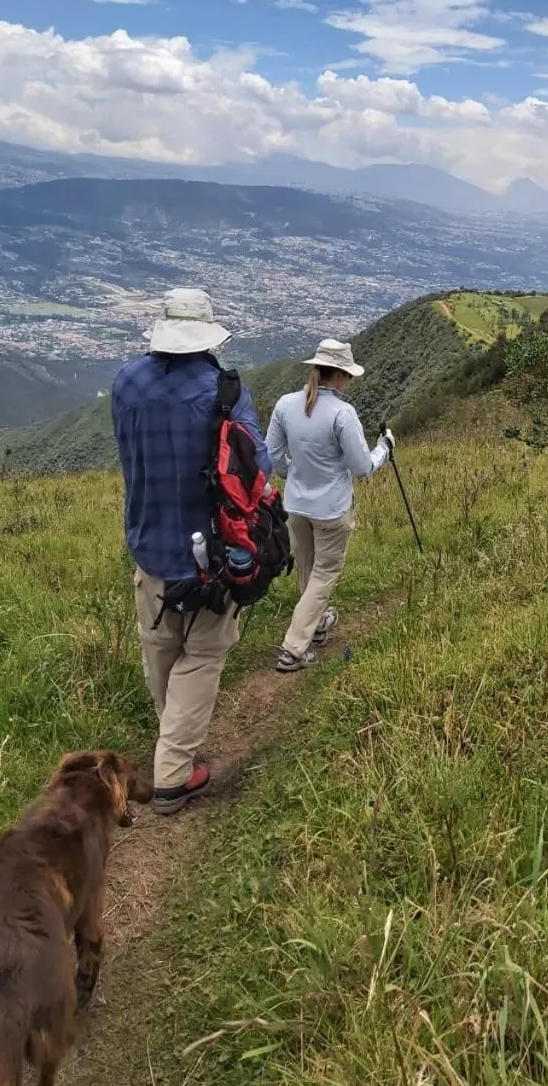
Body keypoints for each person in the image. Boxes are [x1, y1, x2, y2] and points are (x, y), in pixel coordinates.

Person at [112, 287, 271, 815]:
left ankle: (172, 744)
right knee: (201, 656)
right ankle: (174, 775)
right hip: (212, 558)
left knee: (159, 649)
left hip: (148, 545)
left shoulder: (126, 383)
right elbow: (257, 469)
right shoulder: (223, 393)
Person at [265, 338, 393, 673]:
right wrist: (385, 450)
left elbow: (272, 456)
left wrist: (292, 474)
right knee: (324, 573)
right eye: (348, 376)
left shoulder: (285, 405)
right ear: (339, 376)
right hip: (332, 508)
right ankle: (293, 647)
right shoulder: (342, 413)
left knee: (308, 566)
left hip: (296, 504)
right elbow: (362, 467)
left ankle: (318, 623)